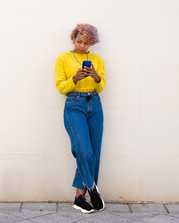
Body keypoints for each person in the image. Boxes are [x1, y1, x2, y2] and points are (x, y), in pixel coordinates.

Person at [55, 23, 106, 214]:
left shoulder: (97, 60)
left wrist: (96, 77)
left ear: (91, 43)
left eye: (86, 42)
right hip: (74, 104)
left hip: (95, 103)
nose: (82, 45)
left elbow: (101, 86)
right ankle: (92, 187)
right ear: (72, 38)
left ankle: (79, 198)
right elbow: (61, 87)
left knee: (94, 151)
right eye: (79, 41)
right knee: (83, 150)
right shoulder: (63, 59)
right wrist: (75, 78)